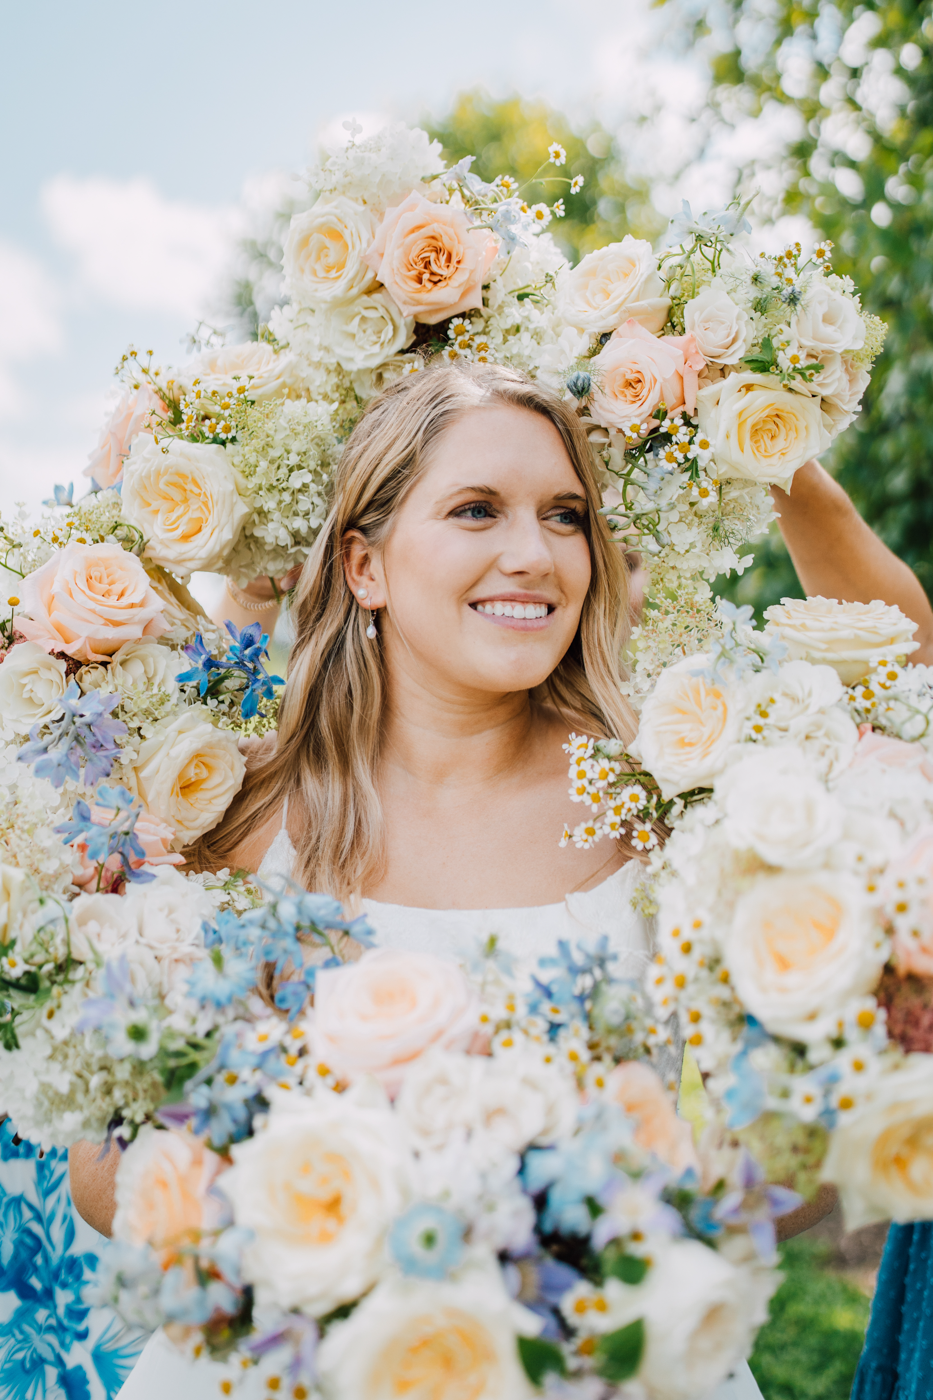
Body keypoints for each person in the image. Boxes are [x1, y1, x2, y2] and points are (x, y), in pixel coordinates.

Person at [67, 362, 933, 1399]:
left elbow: (904, 672)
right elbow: (109, 1173)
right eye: (476, 508)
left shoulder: (670, 793)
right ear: (364, 563)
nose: (532, 554)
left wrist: (615, 1230)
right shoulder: (232, 813)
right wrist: (352, 1246)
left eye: (565, 515)